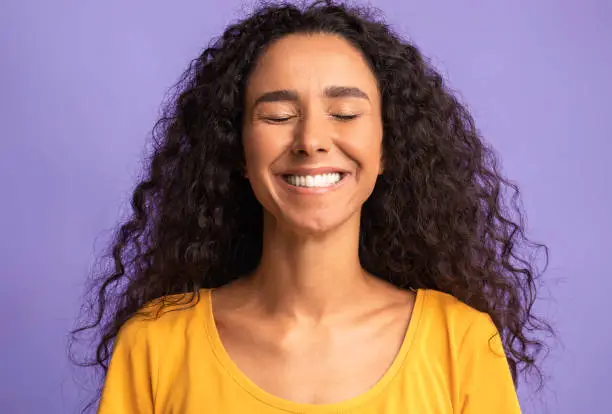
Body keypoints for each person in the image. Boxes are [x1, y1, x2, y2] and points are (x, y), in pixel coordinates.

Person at [73, 1, 551, 412]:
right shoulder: (156, 345)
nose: (311, 141)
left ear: (387, 147)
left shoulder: (461, 343)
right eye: (279, 116)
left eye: (344, 114)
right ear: (238, 150)